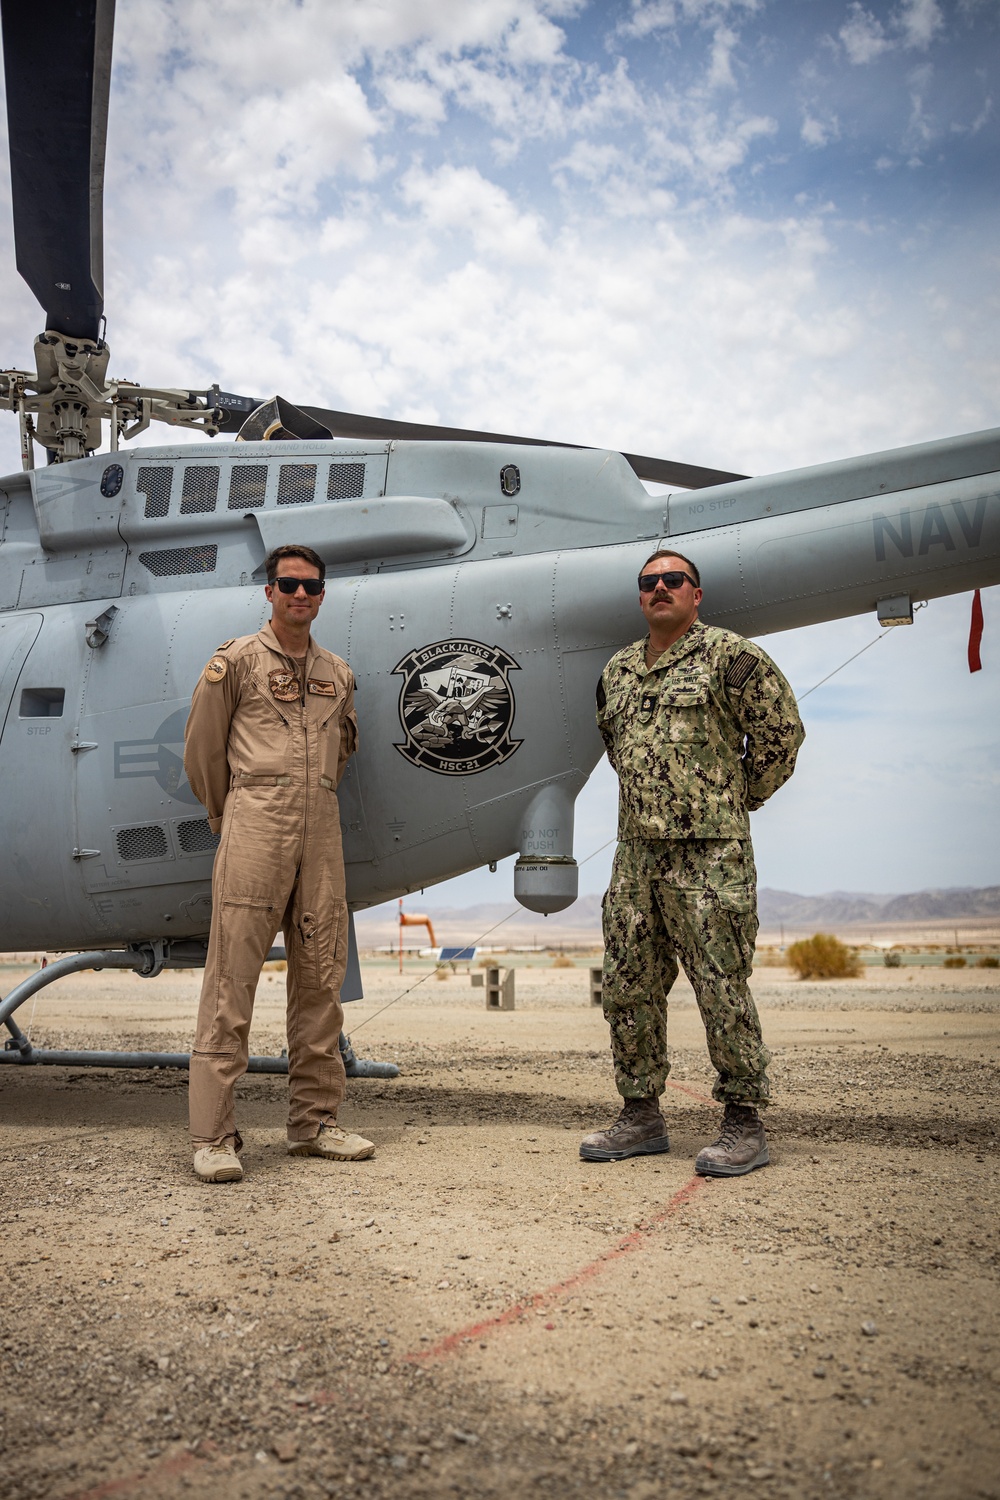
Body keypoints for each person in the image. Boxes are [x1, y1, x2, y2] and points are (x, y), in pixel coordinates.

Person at [581, 550, 804, 1175]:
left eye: (672, 580)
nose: (660, 589)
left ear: (696, 594)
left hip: (710, 856)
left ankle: (743, 1122)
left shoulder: (731, 658)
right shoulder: (619, 671)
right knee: (629, 985)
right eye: (649, 582)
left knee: (720, 984)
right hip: (636, 858)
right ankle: (641, 1114)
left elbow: (781, 736)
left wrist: (735, 800)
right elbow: (617, 746)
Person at [183, 543, 374, 1183]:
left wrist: (308, 798)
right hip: (255, 822)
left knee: (322, 976)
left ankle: (314, 1123)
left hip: (319, 829)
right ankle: (212, 1136)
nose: (300, 595)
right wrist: (233, 813)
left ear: (322, 595)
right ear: (269, 592)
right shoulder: (234, 662)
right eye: (289, 584)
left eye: (311, 586)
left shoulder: (338, 673)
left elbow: (341, 752)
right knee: (231, 978)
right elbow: (203, 754)